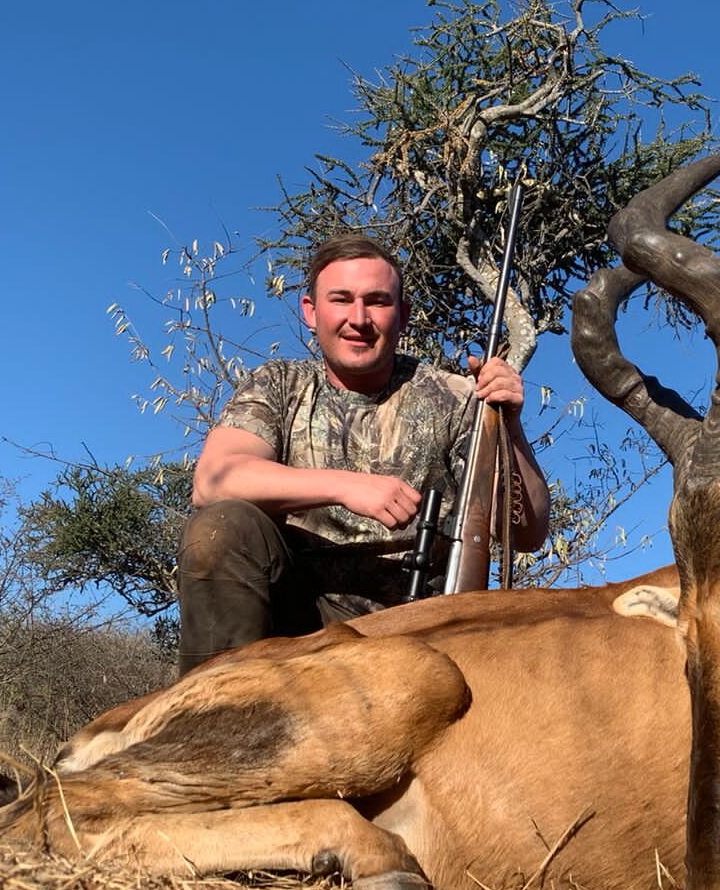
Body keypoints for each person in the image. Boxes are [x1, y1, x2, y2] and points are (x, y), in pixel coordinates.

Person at [175, 233, 551, 673]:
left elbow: (529, 532)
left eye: (377, 301)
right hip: (294, 627)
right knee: (221, 527)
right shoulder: (278, 385)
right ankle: (217, 715)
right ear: (311, 312)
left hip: (417, 629)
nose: (359, 318)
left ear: (403, 315)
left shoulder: (457, 397)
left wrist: (510, 425)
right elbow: (214, 480)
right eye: (341, 299)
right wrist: (346, 486)